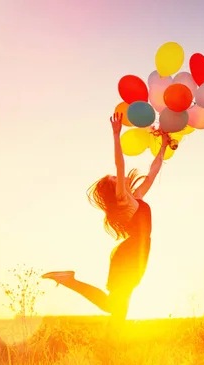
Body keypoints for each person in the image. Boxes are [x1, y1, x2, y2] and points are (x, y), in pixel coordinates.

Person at [42, 112, 170, 328]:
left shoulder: (135, 198)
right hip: (131, 253)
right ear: (115, 187)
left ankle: (69, 281)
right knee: (117, 305)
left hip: (138, 250)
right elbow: (120, 166)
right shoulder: (123, 200)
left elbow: (152, 173)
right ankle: (69, 281)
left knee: (117, 305)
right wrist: (116, 134)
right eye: (115, 179)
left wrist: (164, 146)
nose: (118, 176)